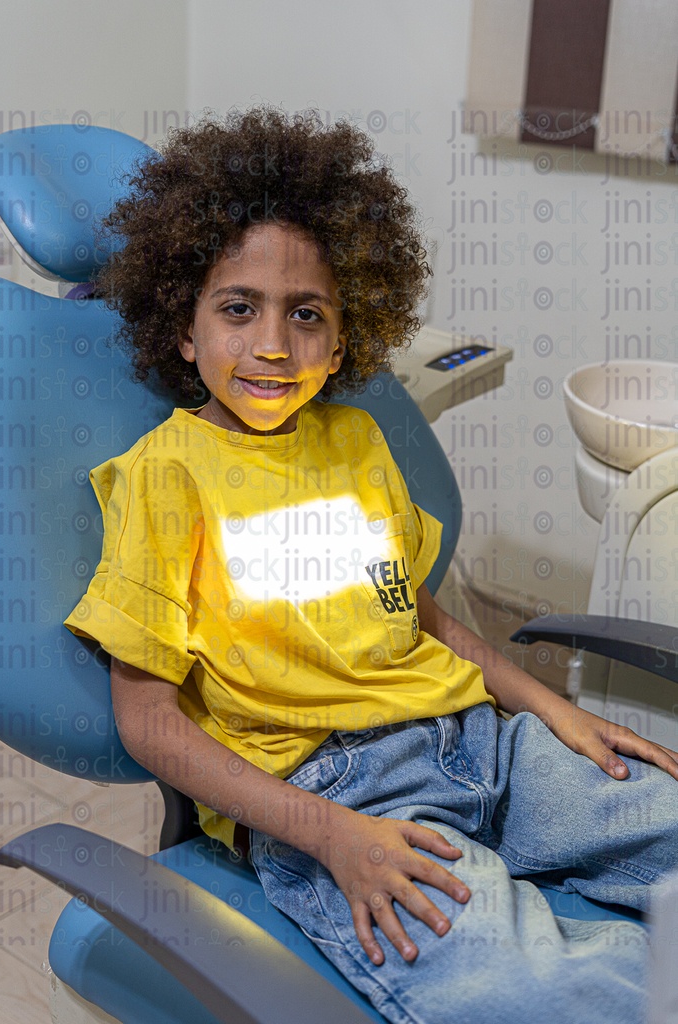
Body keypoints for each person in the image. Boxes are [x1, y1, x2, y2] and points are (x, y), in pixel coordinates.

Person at [65, 107, 678, 1023]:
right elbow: (149, 723)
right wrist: (332, 837)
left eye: (306, 314)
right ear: (183, 331)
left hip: (485, 745)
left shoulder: (354, 439)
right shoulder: (168, 476)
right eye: (238, 309)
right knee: (539, 992)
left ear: (344, 336)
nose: (273, 343)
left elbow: (416, 614)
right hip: (338, 794)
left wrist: (552, 712)